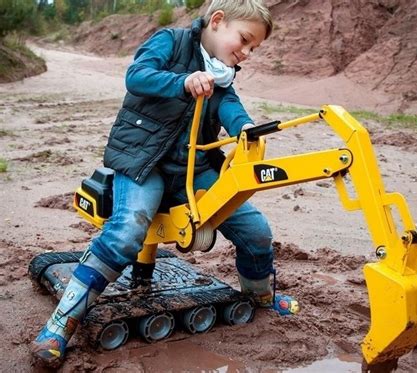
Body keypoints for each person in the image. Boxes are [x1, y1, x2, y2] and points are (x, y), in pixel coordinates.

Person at [31, 0, 298, 367]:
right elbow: (137, 76)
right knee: (127, 231)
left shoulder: (223, 76)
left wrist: (245, 129)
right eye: (246, 40)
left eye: (254, 48)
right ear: (217, 21)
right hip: (144, 161)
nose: (248, 53)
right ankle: (60, 325)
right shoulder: (170, 42)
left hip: (194, 168)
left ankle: (262, 297)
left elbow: (230, 107)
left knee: (255, 229)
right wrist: (182, 81)